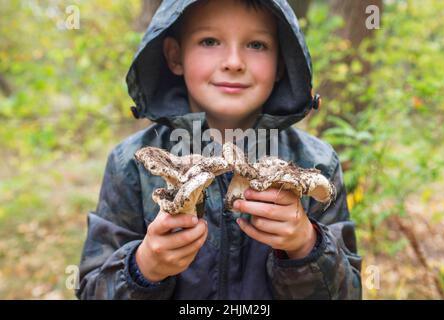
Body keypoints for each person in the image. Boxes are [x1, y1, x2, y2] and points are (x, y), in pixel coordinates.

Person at [76, 0, 362, 299]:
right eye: (209, 41)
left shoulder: (317, 164)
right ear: (175, 56)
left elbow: (349, 293)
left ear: (281, 62)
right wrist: (143, 267)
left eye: (257, 44)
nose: (234, 62)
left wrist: (306, 246)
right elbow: (91, 289)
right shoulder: (131, 163)